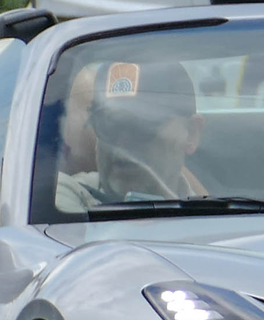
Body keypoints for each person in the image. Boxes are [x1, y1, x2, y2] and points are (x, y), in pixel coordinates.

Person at [54, 59, 209, 211]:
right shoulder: (65, 196)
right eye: (109, 124)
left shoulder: (215, 214)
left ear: (191, 133)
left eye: (142, 125)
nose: (122, 142)